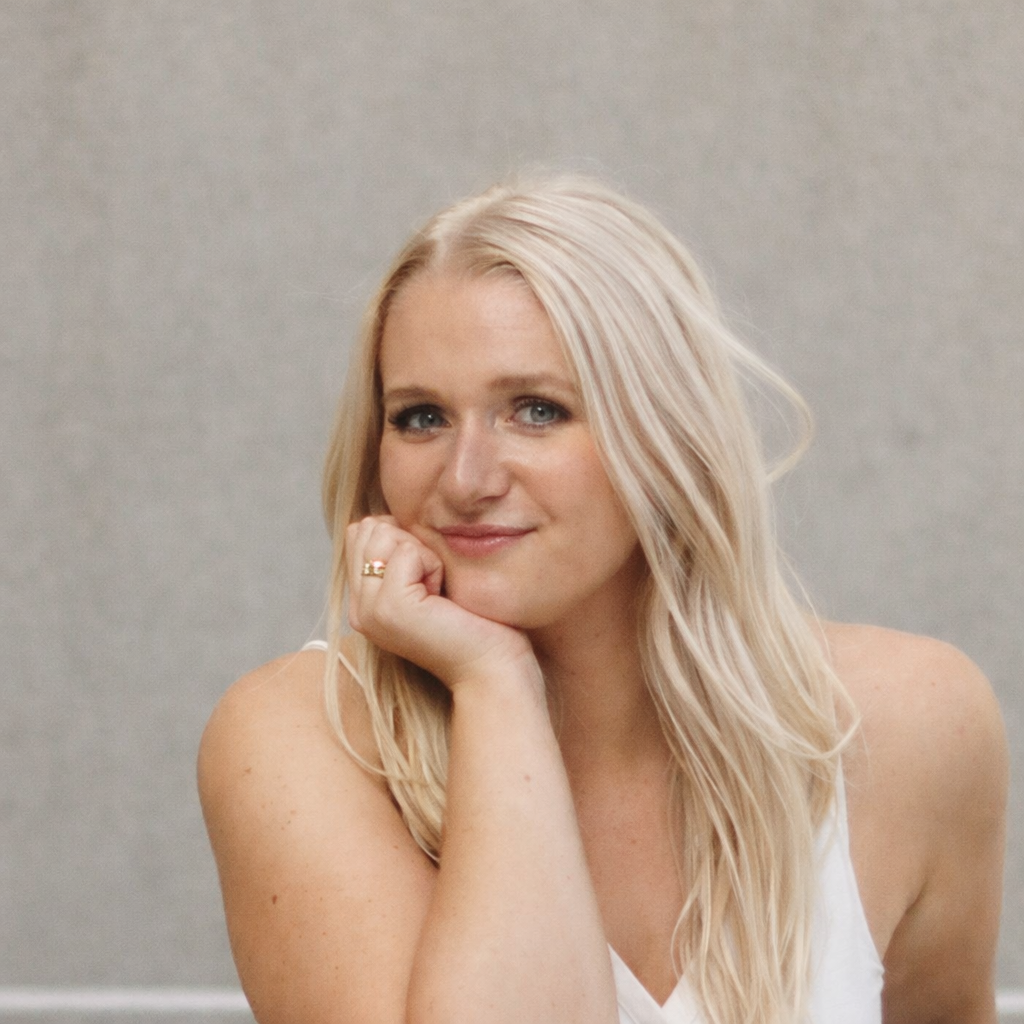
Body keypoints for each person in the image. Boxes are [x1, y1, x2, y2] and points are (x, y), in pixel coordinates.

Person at [198, 176, 1007, 1024]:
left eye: (536, 410)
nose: (466, 479)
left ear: (666, 434)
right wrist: (495, 683)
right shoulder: (299, 738)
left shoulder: (911, 723)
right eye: (422, 418)